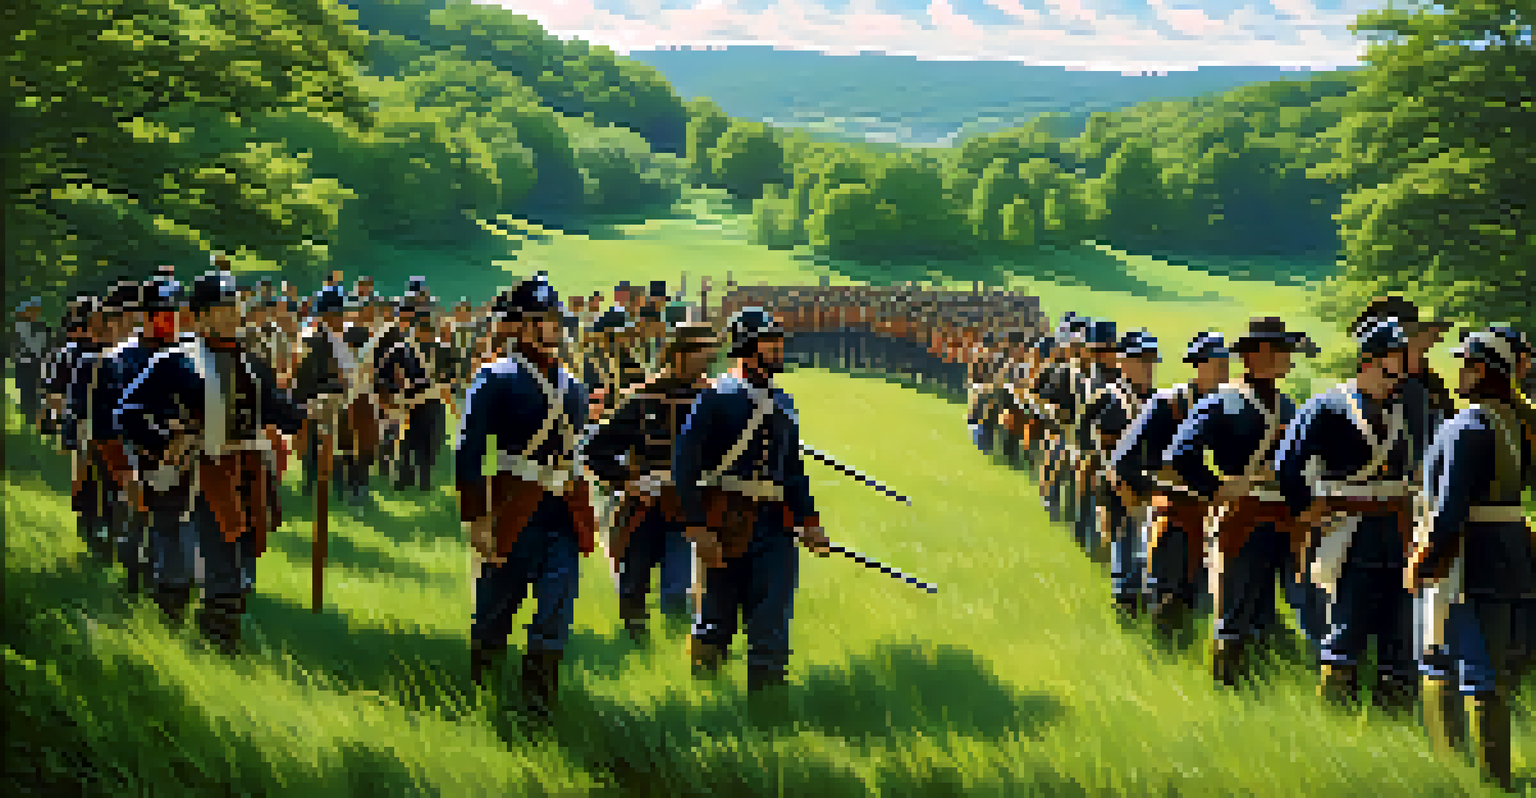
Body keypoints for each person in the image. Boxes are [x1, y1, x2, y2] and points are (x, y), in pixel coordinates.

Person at [116, 271, 305, 651]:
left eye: (232, 308)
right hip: (193, 476)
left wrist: (311, 417)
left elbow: (278, 410)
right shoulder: (176, 360)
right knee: (195, 565)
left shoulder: (251, 363)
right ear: (199, 317)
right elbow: (129, 412)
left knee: (237, 565)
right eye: (220, 310)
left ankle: (219, 642)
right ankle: (183, 639)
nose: (230, 316)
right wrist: (166, 440)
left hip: (243, 474)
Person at [674, 307, 831, 710]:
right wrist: (697, 527)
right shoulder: (715, 397)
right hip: (724, 523)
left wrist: (809, 523)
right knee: (715, 623)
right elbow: (685, 464)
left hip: (775, 528)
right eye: (769, 342)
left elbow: (792, 471)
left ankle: (767, 716)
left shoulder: (784, 402)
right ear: (746, 347)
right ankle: (704, 707)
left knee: (772, 625)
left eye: (778, 341)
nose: (778, 348)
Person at [456, 274, 594, 722]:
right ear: (521, 326)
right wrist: (477, 519)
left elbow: (578, 448)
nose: (555, 328)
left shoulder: (573, 387)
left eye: (556, 320)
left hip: (562, 511)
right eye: (546, 320)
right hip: (514, 508)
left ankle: (539, 710)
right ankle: (483, 699)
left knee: (556, 610)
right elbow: (469, 451)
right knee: (496, 609)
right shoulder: (495, 378)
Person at [1409, 326, 1535, 790]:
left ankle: (1470, 777)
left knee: (1447, 661)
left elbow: (1450, 507)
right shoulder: (1521, 423)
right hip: (1510, 552)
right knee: (1490, 672)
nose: (1460, 372)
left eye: (1466, 363)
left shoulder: (1467, 425)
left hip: (1467, 558)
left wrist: (1426, 559)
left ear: (1482, 370)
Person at [1276, 318, 1418, 711]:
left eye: (1401, 369)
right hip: (1348, 536)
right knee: (1343, 631)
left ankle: (1394, 721)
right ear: (1368, 362)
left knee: (1398, 635)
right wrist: (1308, 510)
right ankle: (1335, 717)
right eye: (1391, 368)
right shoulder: (1327, 406)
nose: (1397, 379)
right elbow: (1288, 465)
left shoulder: (1403, 412)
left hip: (1395, 531)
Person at [1166, 317, 1316, 686]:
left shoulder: (1288, 404)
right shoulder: (1224, 401)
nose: (1288, 358)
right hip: (1243, 516)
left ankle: (1262, 687)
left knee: (1268, 610)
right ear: (1257, 354)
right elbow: (1181, 454)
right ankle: (1227, 686)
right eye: (1282, 350)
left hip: (1282, 517)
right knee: (1234, 609)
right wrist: (1216, 488)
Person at [584, 322, 723, 642]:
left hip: (687, 510)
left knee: (677, 594)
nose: (706, 362)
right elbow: (596, 452)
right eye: (701, 354)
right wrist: (628, 483)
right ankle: (638, 649)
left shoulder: (716, 400)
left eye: (709, 355)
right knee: (633, 589)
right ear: (679, 355)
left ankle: (678, 654)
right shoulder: (642, 399)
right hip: (642, 509)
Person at [1111, 332, 1230, 640]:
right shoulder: (1167, 404)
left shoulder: (1229, 409)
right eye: (1217, 365)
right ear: (1199, 366)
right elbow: (1123, 460)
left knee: (1201, 601)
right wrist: (1156, 490)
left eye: (1226, 365)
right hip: (1172, 515)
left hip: (1213, 516)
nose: (1224, 373)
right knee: (1165, 597)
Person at [1088, 329, 1159, 616]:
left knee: (1146, 550)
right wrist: (1125, 491)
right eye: (1141, 360)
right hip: (1122, 488)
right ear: (1123, 362)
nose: (1148, 367)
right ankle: (1125, 600)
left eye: (1151, 361)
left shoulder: (1156, 400)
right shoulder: (1111, 398)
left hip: (1151, 486)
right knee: (1126, 544)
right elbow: (1105, 452)